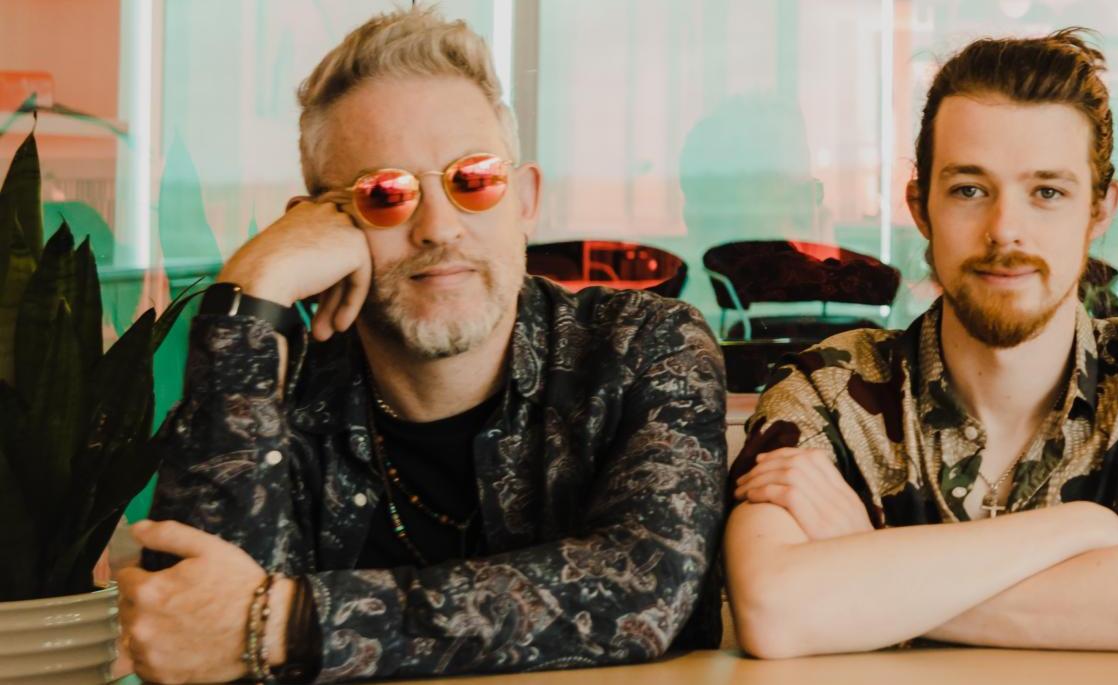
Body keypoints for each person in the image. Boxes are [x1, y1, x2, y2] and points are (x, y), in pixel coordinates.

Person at [116, 7, 728, 683]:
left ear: (524, 201)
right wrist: (250, 295)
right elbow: (189, 630)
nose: (439, 227)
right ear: (317, 226)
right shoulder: (278, 386)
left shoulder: (641, 345)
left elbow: (644, 589)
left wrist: (288, 620)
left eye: (474, 180)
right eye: (384, 193)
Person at [722, 28, 1118, 658]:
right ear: (920, 206)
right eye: (969, 189)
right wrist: (1083, 529)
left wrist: (874, 570)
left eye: (1047, 193)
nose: (1006, 229)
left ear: (1099, 210)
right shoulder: (826, 387)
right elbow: (774, 609)